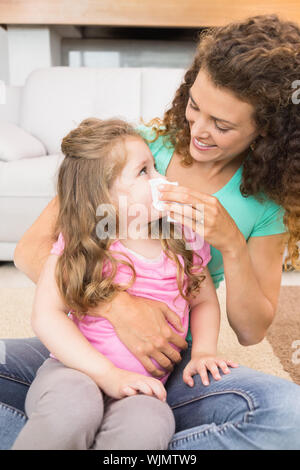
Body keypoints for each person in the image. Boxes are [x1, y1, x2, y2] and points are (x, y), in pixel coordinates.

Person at [1, 14, 300, 450]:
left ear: (267, 130)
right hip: (84, 344)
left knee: (289, 417)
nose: (197, 129)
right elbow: (34, 251)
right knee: (70, 398)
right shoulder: (133, 147)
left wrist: (231, 244)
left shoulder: (265, 205)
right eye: (195, 105)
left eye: (222, 124)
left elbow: (252, 330)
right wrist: (118, 308)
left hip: (169, 368)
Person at [12, 117, 235, 450]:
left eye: (155, 165)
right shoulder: (83, 244)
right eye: (143, 171)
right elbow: (47, 315)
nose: (161, 178)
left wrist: (202, 351)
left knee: (152, 424)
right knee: (73, 409)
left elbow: (202, 300)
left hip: (144, 386)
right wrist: (107, 375)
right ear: (102, 196)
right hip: (74, 371)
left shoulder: (182, 239)